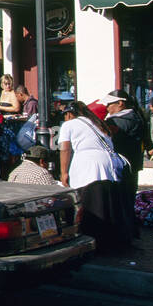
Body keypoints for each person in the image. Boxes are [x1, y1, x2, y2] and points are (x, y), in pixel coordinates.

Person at [57, 101, 133, 253]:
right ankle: (115, 240)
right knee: (109, 204)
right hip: (110, 166)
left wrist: (64, 172)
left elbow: (65, 149)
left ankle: (95, 241)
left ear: (69, 114)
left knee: (93, 205)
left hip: (88, 166)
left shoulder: (69, 125)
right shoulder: (97, 123)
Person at [101, 90, 147, 195]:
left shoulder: (122, 120)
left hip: (122, 166)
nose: (107, 107)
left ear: (120, 103)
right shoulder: (134, 116)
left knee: (121, 199)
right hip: (130, 164)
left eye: (109, 104)